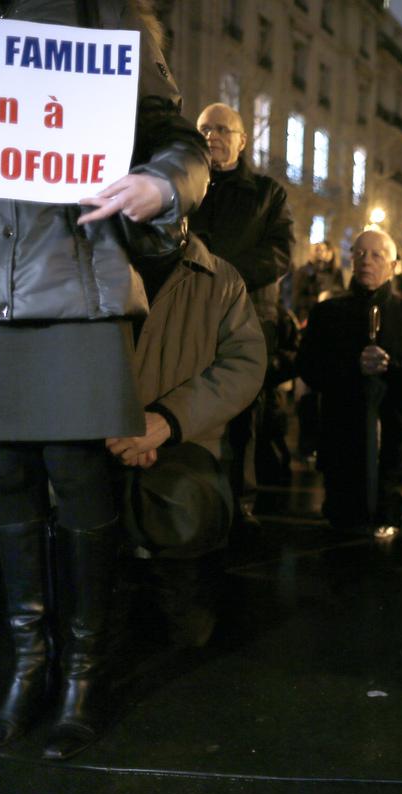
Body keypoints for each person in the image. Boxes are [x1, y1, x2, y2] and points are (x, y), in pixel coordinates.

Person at [0, 1, 210, 760]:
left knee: (78, 478)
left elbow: (176, 137)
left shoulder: (106, 9)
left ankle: (82, 674)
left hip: (72, 279)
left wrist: (161, 184)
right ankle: (27, 669)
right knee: (3, 481)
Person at [110, 234, 265, 647]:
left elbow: (244, 364)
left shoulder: (219, 278)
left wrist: (167, 420)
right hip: (104, 452)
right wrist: (115, 426)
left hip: (185, 456)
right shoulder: (87, 262)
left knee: (186, 630)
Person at [189, 102, 296, 527]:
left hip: (247, 318)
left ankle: (238, 503)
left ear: (242, 140)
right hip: (188, 316)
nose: (211, 136)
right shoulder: (184, 186)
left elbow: (280, 253)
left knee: (242, 418)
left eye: (221, 129)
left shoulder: (269, 193)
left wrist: (219, 273)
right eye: (203, 128)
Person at [297, 230, 402, 538]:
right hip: (341, 434)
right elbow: (309, 367)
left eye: (377, 255)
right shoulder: (328, 313)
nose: (367, 261)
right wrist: (351, 366)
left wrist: (391, 367)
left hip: (394, 434)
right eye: (360, 254)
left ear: (393, 265)